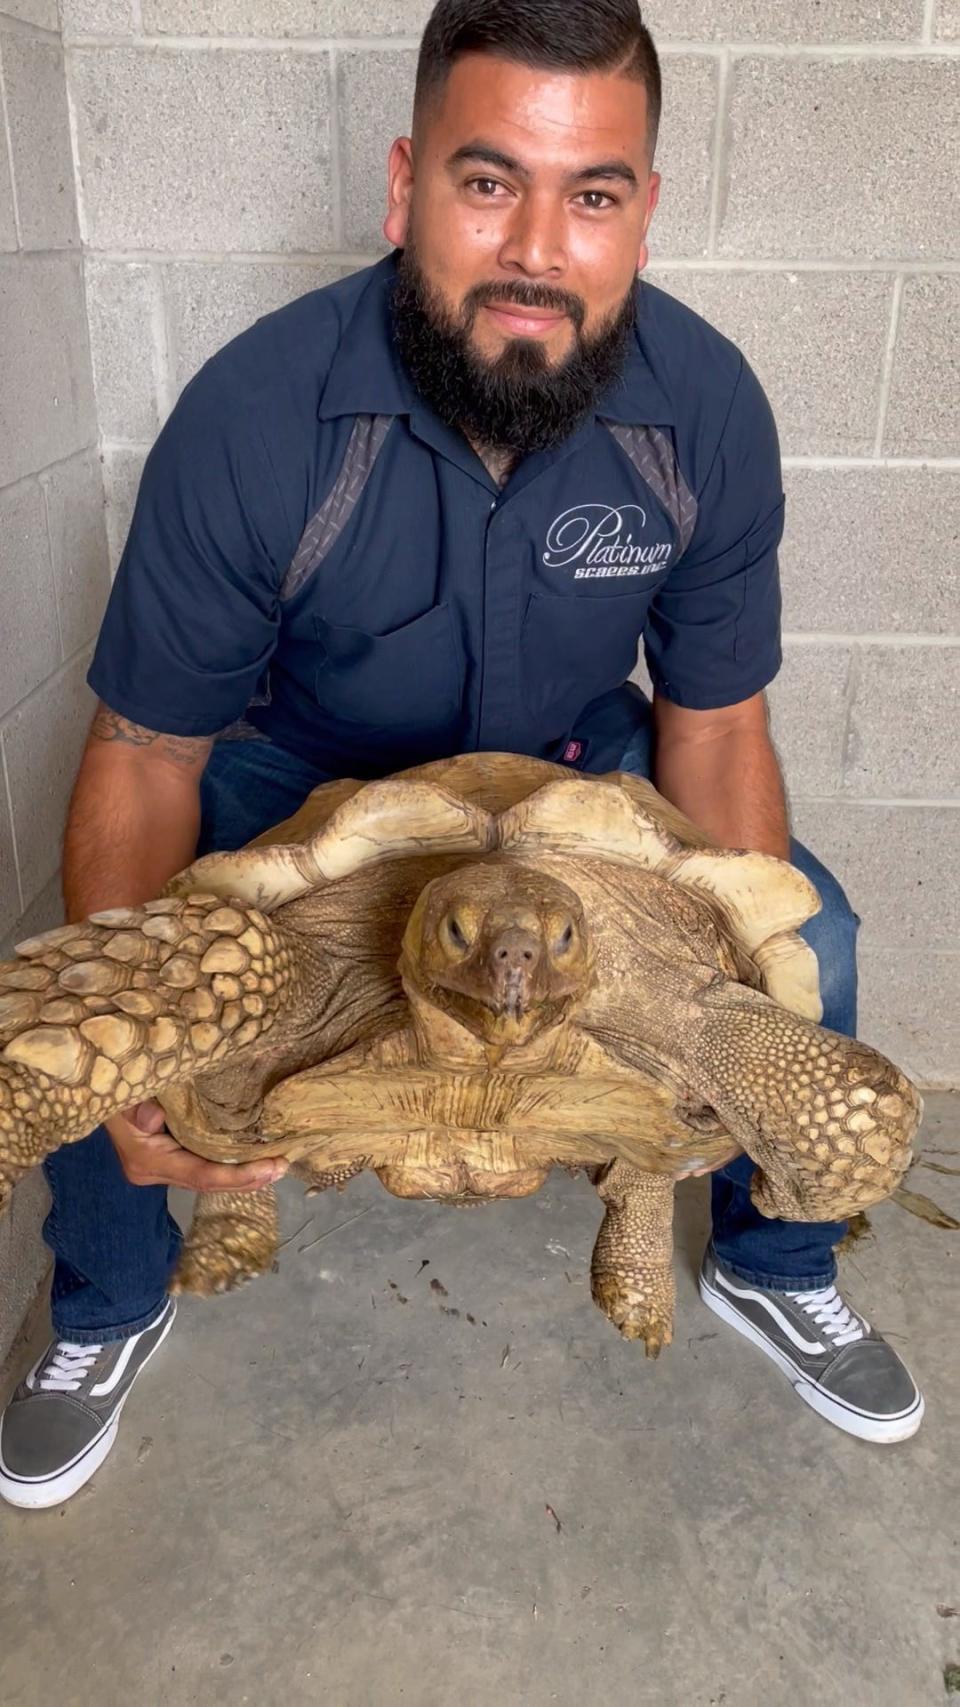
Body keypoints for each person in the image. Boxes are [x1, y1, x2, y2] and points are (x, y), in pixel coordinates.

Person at [0, 0, 923, 1509]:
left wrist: (730, 997)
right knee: (122, 976)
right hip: (297, 765)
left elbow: (714, 722)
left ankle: (778, 1253)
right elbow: (148, 748)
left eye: (594, 195)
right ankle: (107, 1290)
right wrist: (136, 1070)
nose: (539, 251)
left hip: (578, 780)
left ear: (645, 213)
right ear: (402, 186)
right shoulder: (254, 415)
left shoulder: (703, 412)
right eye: (489, 183)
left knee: (818, 927)